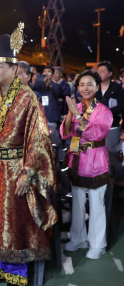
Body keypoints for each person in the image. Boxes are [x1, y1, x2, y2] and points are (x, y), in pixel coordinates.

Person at [0, 24, 57, 286]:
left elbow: (39, 138)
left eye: (0, 67)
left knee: (14, 222)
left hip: (16, 168)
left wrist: (28, 171)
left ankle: (15, 272)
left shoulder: (27, 98)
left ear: (14, 70)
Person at [61, 70, 112, 259]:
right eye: (82, 85)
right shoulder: (77, 106)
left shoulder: (103, 111)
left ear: (97, 87)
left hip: (96, 159)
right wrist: (69, 114)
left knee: (97, 204)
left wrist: (77, 114)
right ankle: (78, 238)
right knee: (77, 202)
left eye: (90, 84)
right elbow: (67, 134)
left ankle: (98, 244)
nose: (85, 88)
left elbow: (96, 134)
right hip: (77, 159)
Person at [96, 62, 124, 170]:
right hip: (97, 127)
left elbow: (121, 106)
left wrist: (106, 113)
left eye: (103, 71)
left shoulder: (117, 88)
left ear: (110, 73)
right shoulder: (95, 88)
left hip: (112, 126)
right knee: (97, 152)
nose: (99, 74)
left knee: (110, 153)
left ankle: (111, 176)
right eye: (98, 72)